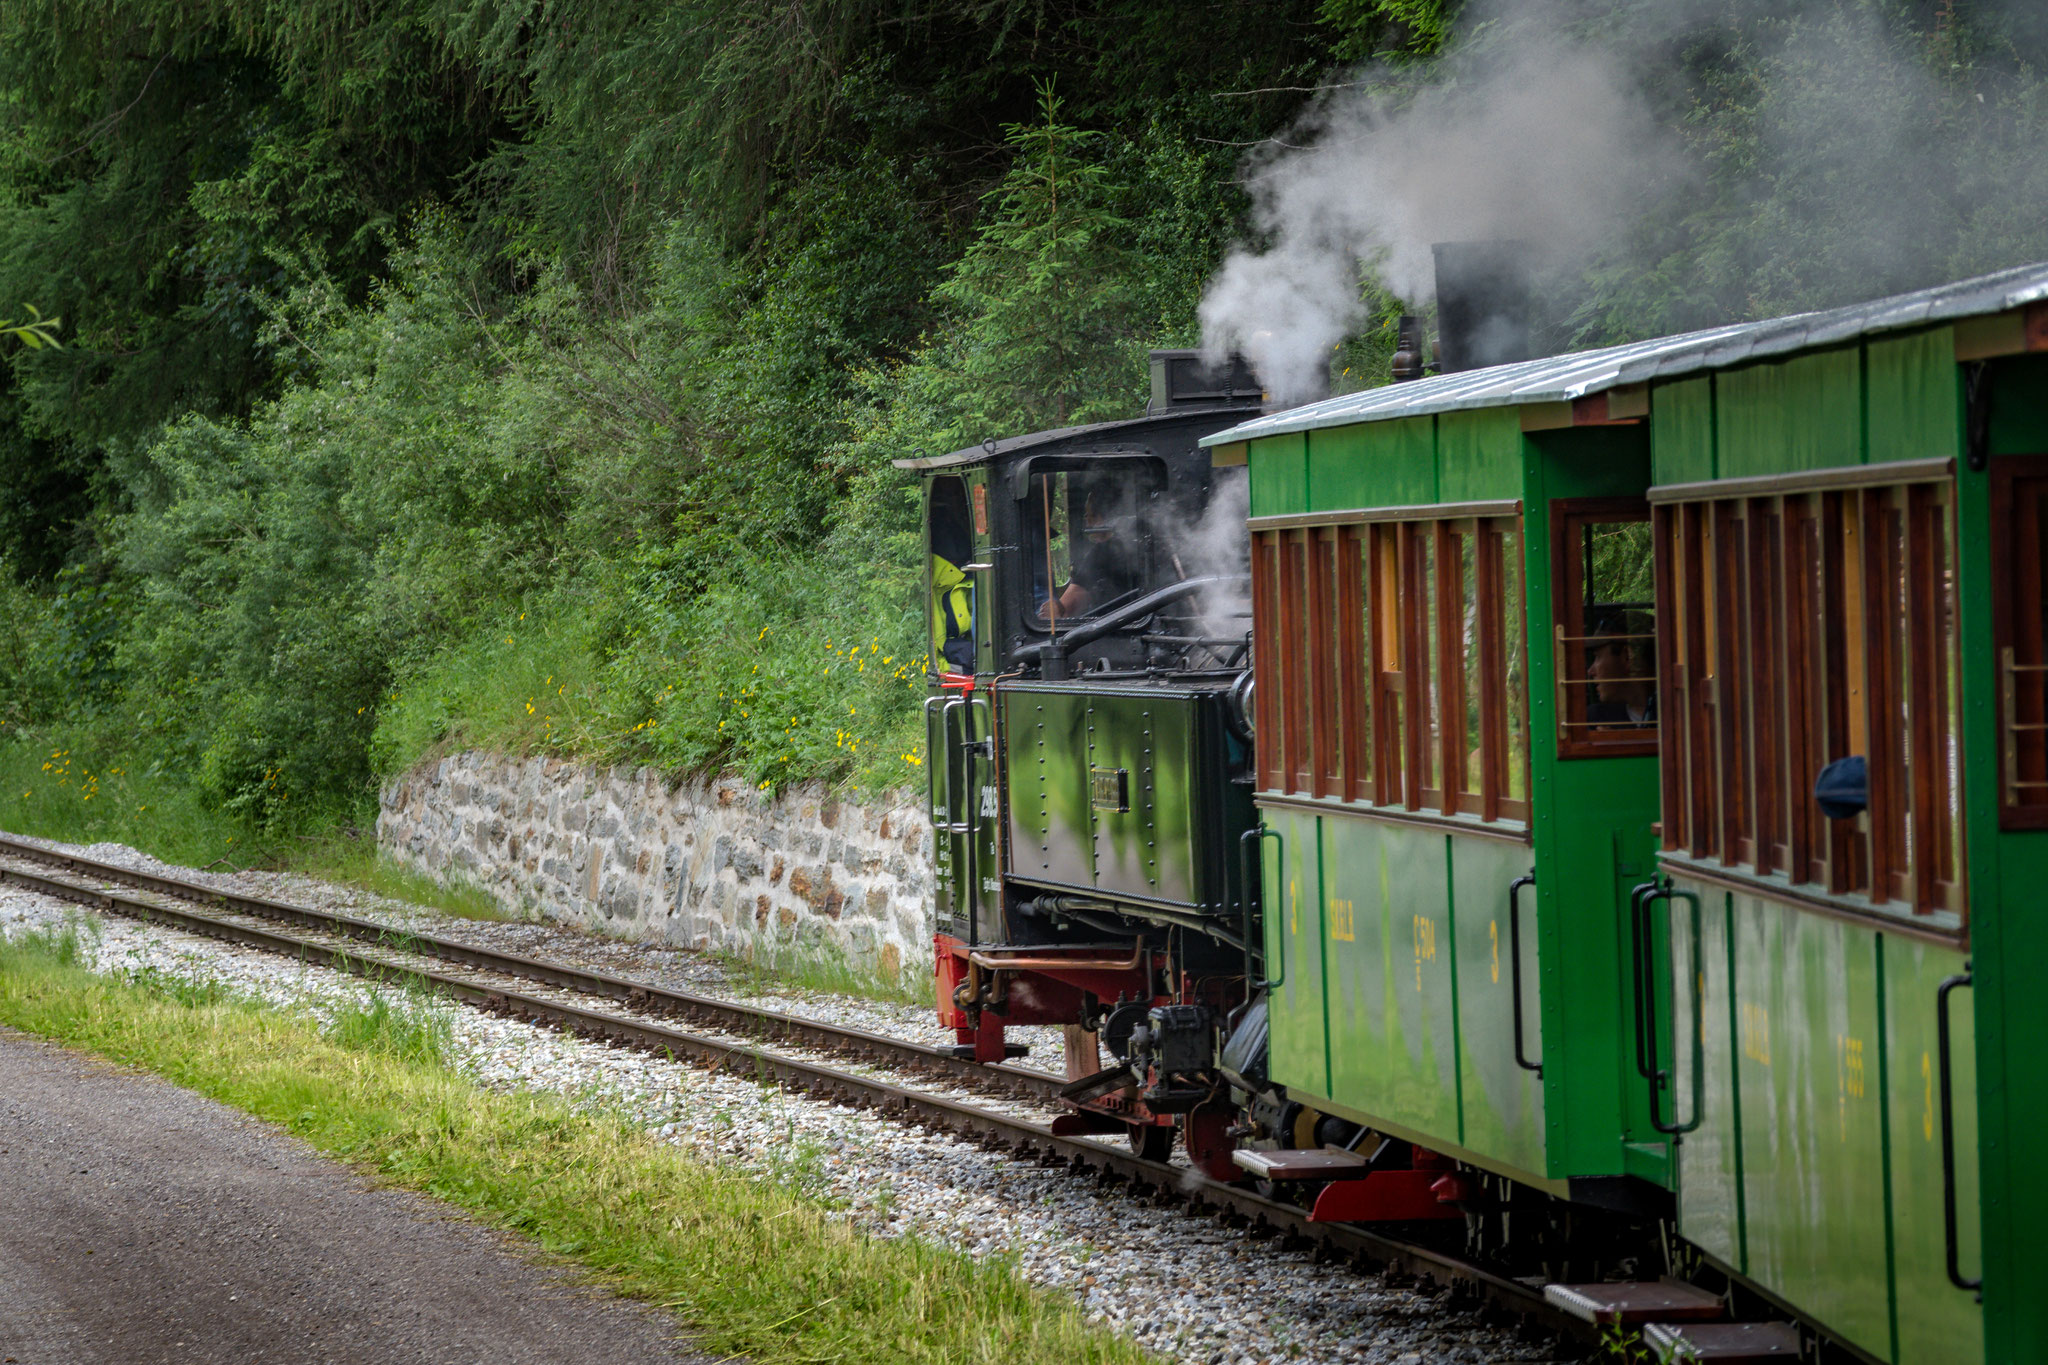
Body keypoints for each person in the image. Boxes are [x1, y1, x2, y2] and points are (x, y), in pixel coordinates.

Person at [1585, 634, 1656, 726]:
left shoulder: (1672, 711)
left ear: (1626, 656)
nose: (1590, 671)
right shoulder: (1595, 720)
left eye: (1598, 657)